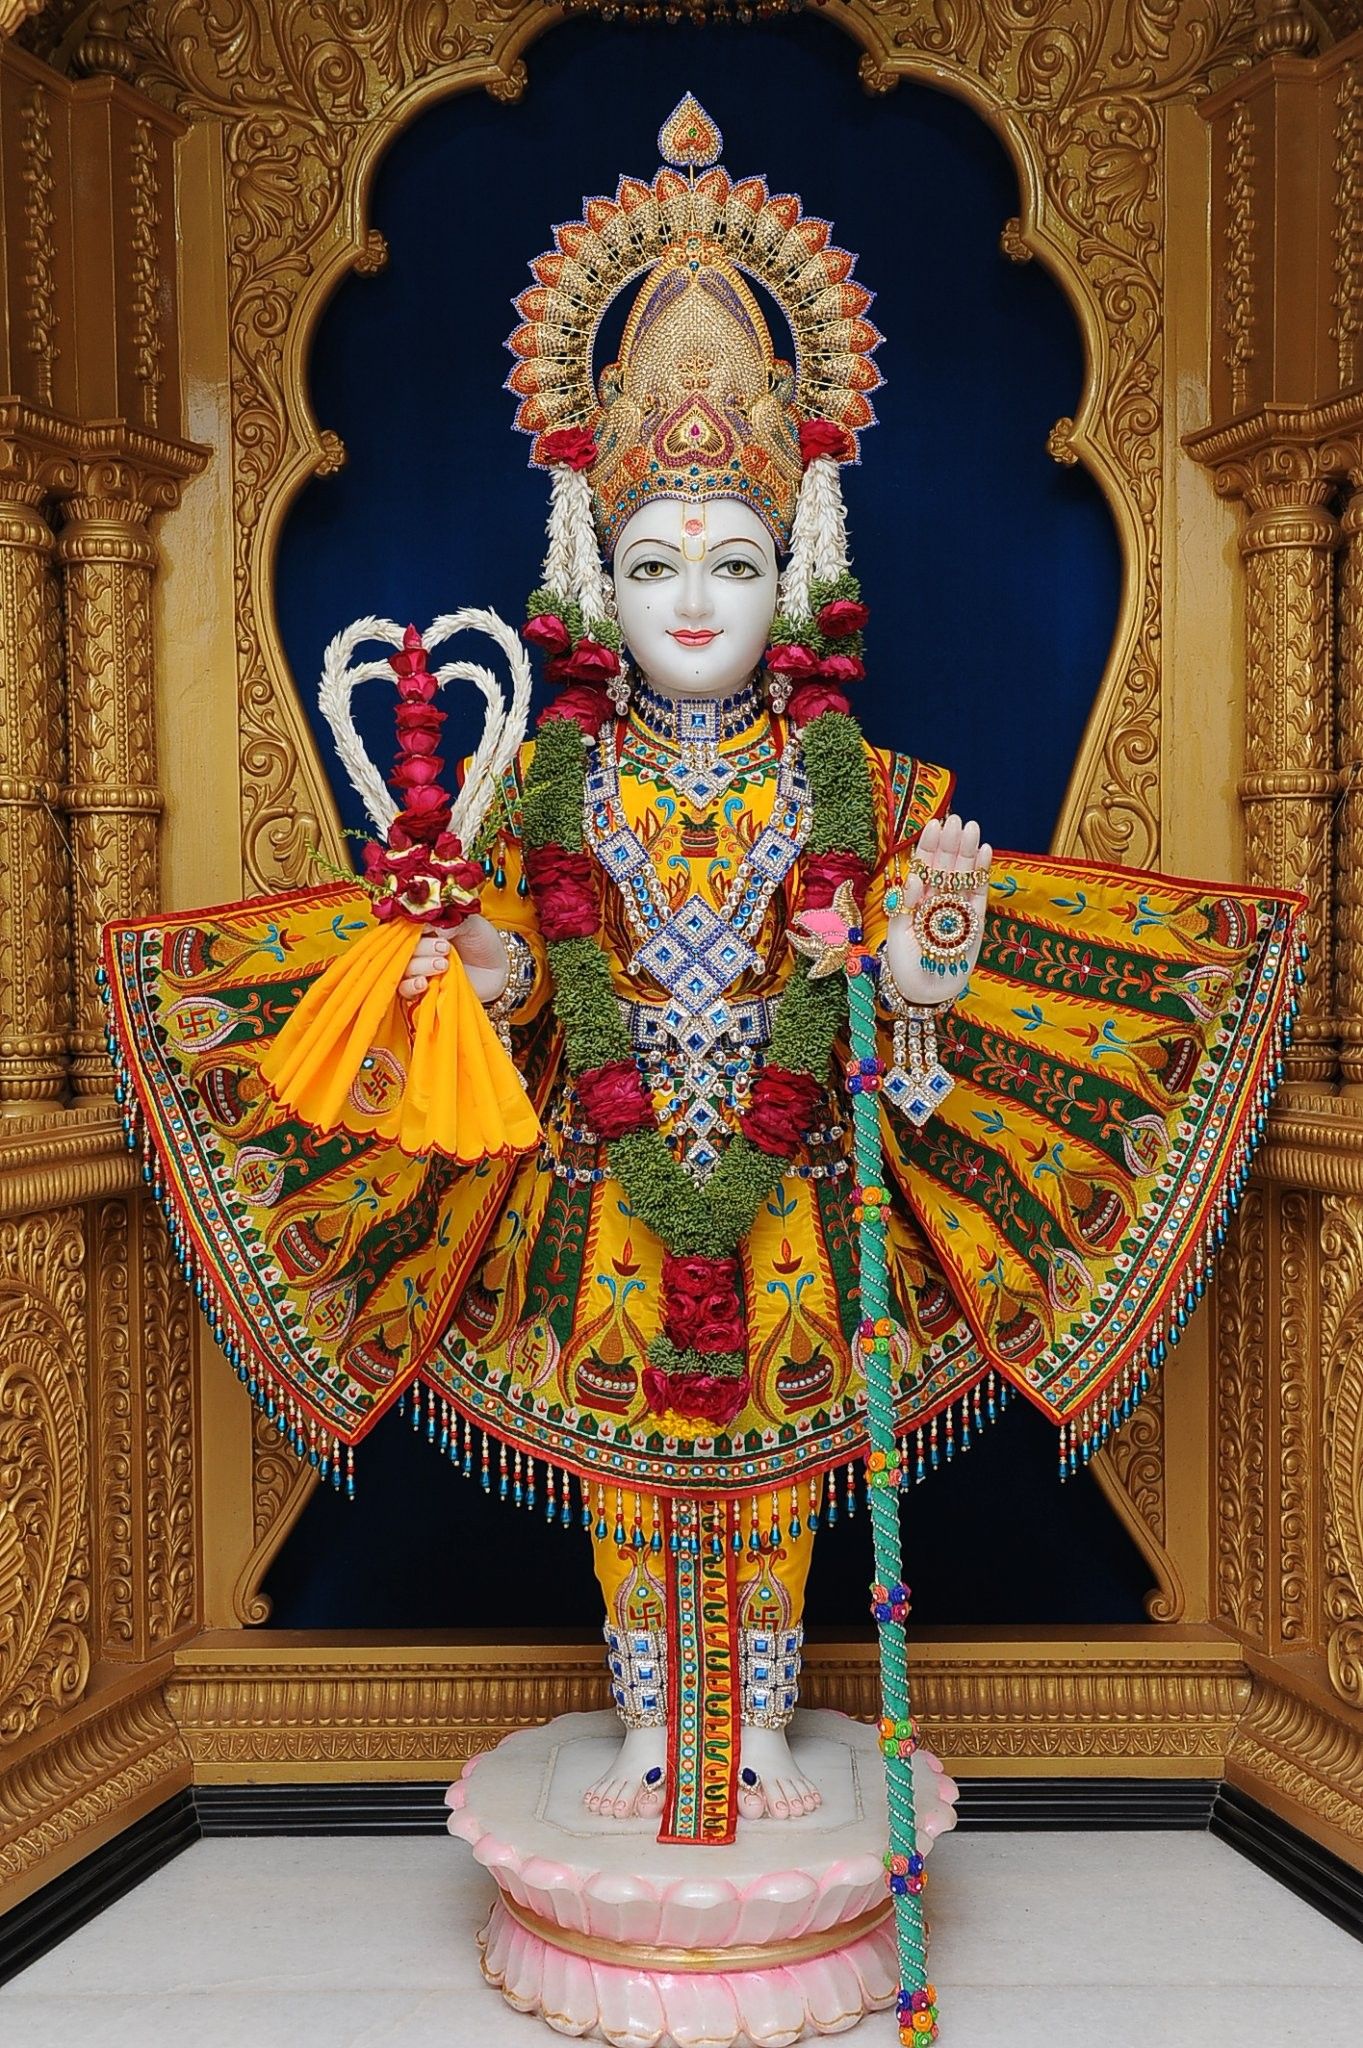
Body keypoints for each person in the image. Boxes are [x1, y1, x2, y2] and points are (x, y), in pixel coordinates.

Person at [102, 96, 1302, 1851]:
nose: (692, 601)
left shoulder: (872, 793)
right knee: (627, 1493)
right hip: (597, 1187)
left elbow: (905, 1019)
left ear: (799, 569)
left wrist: (931, 950)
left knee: (776, 1490)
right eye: (655, 561)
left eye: (734, 562)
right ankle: (655, 1728)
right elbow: (498, 987)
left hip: (793, 1179)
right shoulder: (541, 778)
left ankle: (768, 1727)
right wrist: (490, 952)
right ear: (592, 570)